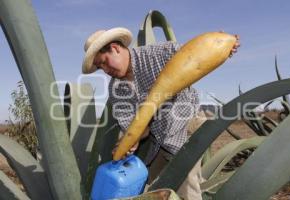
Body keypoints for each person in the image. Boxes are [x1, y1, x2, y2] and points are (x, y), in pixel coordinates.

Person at [82, 27, 240, 200]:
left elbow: (199, 55)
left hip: (187, 123)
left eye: (104, 62)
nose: (105, 70)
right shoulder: (116, 90)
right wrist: (130, 142)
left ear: (114, 48)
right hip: (158, 138)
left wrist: (220, 44)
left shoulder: (160, 53)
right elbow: (138, 128)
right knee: (155, 188)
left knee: (185, 184)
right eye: (100, 68)